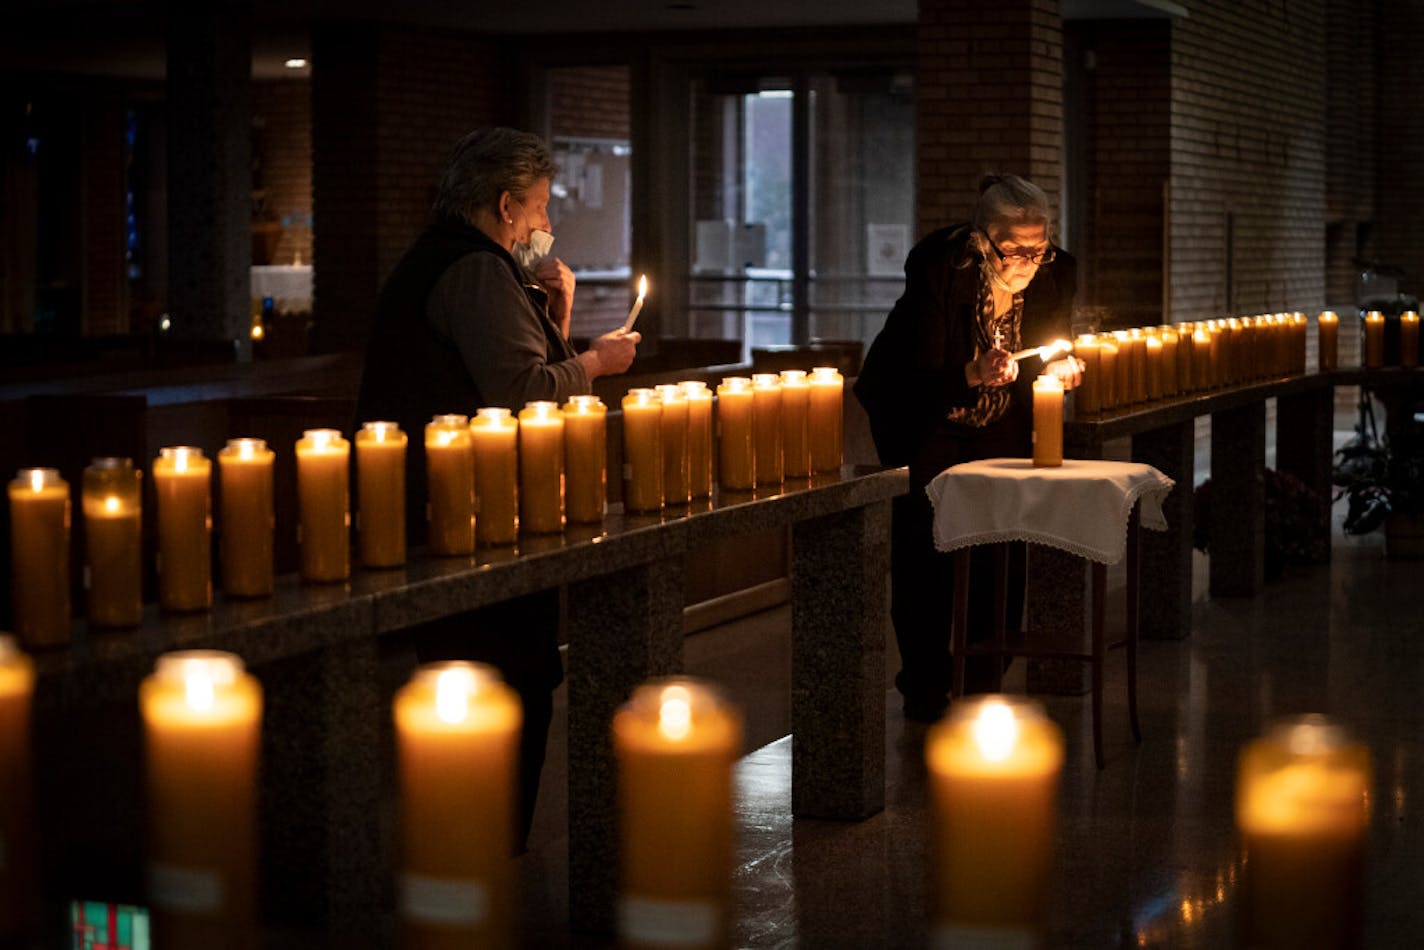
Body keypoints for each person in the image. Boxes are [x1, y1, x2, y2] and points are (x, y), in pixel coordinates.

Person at [356, 127, 641, 846]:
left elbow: (518, 368)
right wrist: (600, 363)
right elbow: (521, 394)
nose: (548, 225)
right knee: (506, 679)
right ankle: (484, 849)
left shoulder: (446, 261)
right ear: (507, 204)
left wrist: (560, 321)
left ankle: (473, 847)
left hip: (453, 507)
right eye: (542, 207)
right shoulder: (477, 270)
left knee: (486, 680)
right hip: (472, 513)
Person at [854, 173, 1081, 723]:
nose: (1028, 261)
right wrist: (971, 372)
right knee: (928, 545)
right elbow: (917, 374)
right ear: (983, 240)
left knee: (1001, 538)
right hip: (926, 411)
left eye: (1039, 246)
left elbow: (1052, 340)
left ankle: (984, 675)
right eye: (1014, 249)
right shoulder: (940, 267)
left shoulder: (1056, 271)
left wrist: (1061, 367)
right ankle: (925, 686)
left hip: (997, 419)